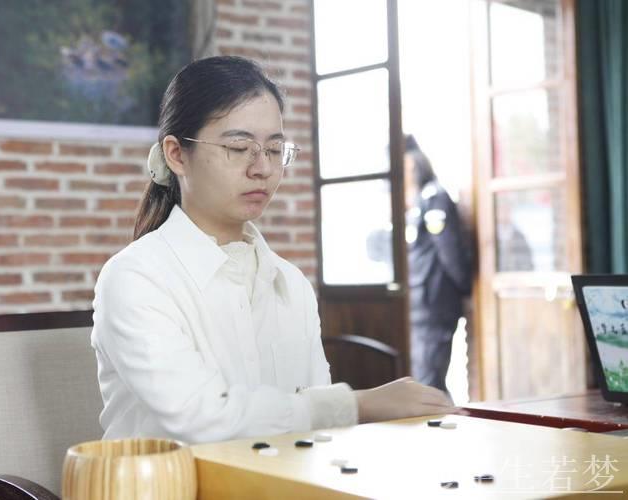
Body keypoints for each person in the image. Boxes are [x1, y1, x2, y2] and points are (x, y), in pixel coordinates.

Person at [91, 56, 459, 444]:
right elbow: (200, 418)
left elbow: (317, 434)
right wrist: (358, 404)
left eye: (274, 149)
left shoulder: (291, 283)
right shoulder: (136, 278)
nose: (262, 168)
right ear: (176, 154)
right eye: (239, 147)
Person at [403, 134, 472, 394]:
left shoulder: (434, 198)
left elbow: (449, 251)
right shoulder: (419, 200)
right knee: (423, 380)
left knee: (429, 383)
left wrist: (465, 287)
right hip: (421, 306)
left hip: (435, 306)